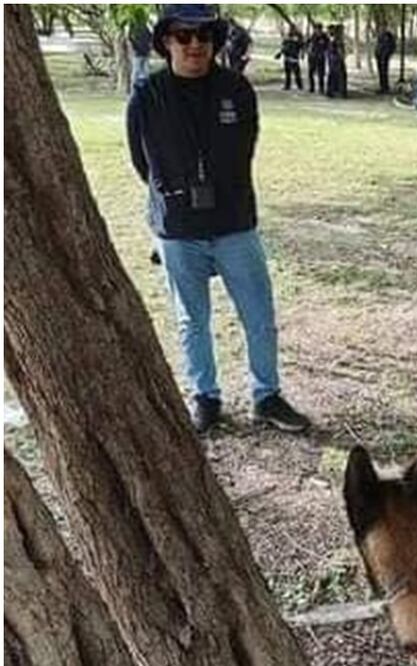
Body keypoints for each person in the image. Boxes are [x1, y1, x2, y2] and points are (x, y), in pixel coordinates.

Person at [127, 4, 312, 435]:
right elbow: (143, 162)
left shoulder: (237, 90)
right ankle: (205, 397)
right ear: (166, 42)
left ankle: (267, 396)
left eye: (204, 36)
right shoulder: (147, 96)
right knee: (191, 318)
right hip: (177, 227)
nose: (195, 45)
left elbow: (244, 149)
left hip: (234, 223)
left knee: (258, 314)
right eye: (183, 36)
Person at [128, 9, 153, 89]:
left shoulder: (145, 27)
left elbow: (150, 37)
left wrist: (149, 47)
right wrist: (135, 47)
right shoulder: (134, 26)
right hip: (138, 52)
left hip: (145, 52)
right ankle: (133, 89)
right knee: (137, 72)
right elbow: (130, 38)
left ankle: (144, 89)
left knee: (145, 73)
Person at [274, 27, 304, 91]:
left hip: (294, 58)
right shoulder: (287, 40)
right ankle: (288, 85)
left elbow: (301, 46)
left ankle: (300, 86)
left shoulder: (297, 39)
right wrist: (280, 54)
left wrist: (302, 54)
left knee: (297, 73)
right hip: (287, 58)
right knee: (288, 73)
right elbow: (284, 48)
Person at [325, 24, 348, 99]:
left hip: (334, 59)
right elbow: (338, 49)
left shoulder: (335, 38)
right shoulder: (336, 39)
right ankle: (339, 92)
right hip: (336, 59)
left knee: (334, 75)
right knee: (339, 75)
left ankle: (333, 91)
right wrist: (342, 56)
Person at [306, 22, 329, 94]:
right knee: (311, 73)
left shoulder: (325, 37)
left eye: (319, 29)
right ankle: (312, 87)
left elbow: (327, 46)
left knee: (321, 74)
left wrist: (324, 52)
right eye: (316, 29)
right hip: (312, 57)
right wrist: (308, 51)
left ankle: (321, 88)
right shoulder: (312, 36)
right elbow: (307, 44)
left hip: (321, 57)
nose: (317, 31)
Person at [374, 26, 396, 94]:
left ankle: (385, 87)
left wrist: (387, 54)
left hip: (384, 56)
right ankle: (382, 87)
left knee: (384, 72)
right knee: (381, 72)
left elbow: (392, 46)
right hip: (379, 56)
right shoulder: (380, 35)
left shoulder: (388, 35)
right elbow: (378, 45)